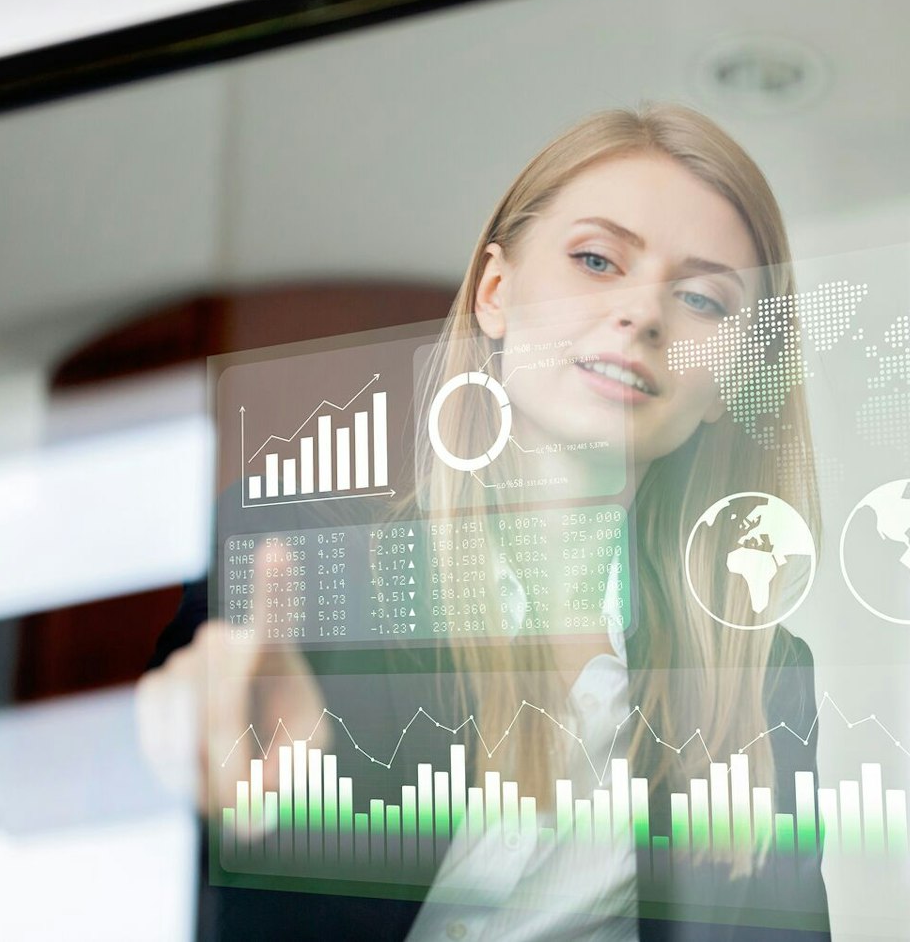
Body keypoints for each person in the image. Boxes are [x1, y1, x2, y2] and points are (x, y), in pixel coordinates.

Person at [139, 104, 830, 940]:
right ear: (496, 294)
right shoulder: (302, 564)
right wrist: (193, 757)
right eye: (597, 258)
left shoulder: (762, 679)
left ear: (733, 378)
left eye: (701, 299)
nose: (644, 314)